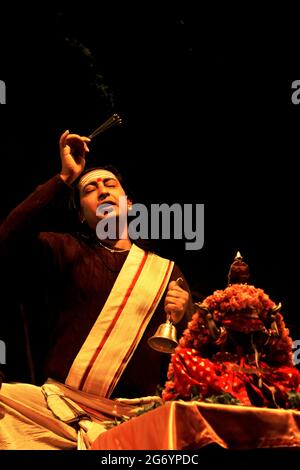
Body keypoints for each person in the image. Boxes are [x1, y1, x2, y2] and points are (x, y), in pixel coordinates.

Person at [0, 130, 192, 449]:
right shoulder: (65, 249)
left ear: (129, 203)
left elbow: (192, 352)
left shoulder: (165, 271)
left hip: (135, 419)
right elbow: (8, 238)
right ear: (81, 212)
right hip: (58, 411)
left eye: (110, 184)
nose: (101, 190)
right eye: (90, 188)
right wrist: (64, 177)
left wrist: (187, 315)